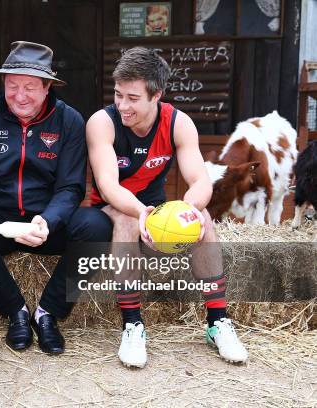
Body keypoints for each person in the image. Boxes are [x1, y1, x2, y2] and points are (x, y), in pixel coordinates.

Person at [0, 41, 111, 354]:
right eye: (12, 86)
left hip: (47, 221)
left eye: (30, 87)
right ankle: (16, 312)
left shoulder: (70, 121)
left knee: (97, 226)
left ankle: (49, 313)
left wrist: (48, 220)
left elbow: (71, 187)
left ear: (48, 87)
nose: (20, 96)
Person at [86, 47, 248, 367]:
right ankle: (133, 324)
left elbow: (200, 181)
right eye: (118, 95)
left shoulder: (179, 122)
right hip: (111, 208)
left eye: (133, 97)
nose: (122, 104)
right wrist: (140, 212)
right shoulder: (101, 122)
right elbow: (108, 185)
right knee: (128, 220)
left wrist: (189, 209)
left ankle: (217, 322)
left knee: (201, 216)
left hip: (154, 205)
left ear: (156, 94)